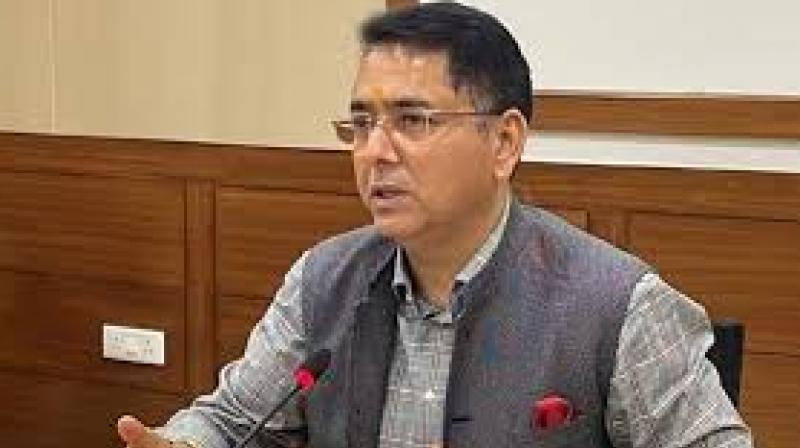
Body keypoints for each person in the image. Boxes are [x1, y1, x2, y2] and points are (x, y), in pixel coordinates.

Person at [117, 3, 753, 448]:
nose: (375, 151)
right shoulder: (324, 280)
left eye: (412, 121)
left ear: (504, 142)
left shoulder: (617, 305)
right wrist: (182, 443)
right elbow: (232, 422)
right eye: (361, 124)